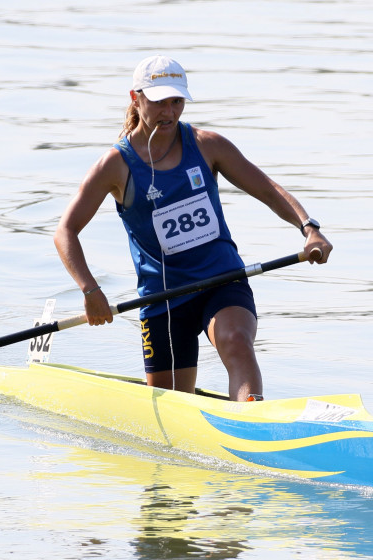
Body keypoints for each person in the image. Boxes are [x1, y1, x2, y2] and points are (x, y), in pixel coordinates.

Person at [54, 55, 332, 402]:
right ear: (135, 98)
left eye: (177, 101)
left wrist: (308, 227)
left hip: (222, 280)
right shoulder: (115, 165)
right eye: (158, 101)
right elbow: (65, 232)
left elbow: (266, 189)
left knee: (235, 341)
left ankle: (251, 419)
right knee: (170, 405)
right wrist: (90, 290)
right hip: (163, 299)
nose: (169, 111)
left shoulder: (207, 145)